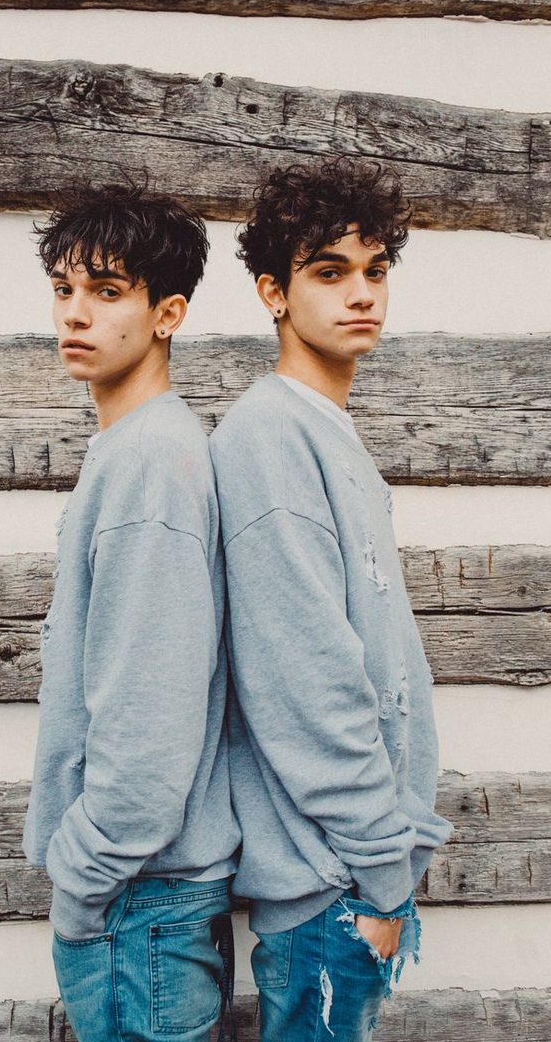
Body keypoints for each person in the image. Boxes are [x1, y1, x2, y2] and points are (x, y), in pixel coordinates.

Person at [209, 157, 455, 1041]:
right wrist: (385, 878)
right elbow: (306, 682)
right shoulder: (270, 439)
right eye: (330, 271)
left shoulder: (325, 429)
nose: (363, 293)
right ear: (274, 292)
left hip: (357, 880)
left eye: (376, 269)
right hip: (334, 889)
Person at [22, 182, 240, 1042]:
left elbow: (150, 719)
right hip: (148, 905)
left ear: (168, 313)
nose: (76, 314)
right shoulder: (135, 449)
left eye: (108, 291)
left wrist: (79, 888)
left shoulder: (150, 463)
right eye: (65, 290)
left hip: (138, 905)